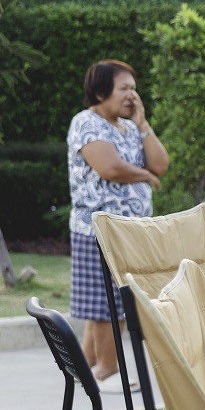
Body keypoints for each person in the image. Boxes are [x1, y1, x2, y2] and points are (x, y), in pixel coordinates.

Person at [67, 59, 168, 382]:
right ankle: (107, 371)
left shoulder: (129, 127)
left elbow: (160, 164)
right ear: (101, 92)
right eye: (124, 89)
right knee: (105, 304)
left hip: (129, 231)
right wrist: (145, 176)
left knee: (114, 300)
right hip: (97, 230)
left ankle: (85, 369)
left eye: (134, 89)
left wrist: (143, 123)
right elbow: (109, 167)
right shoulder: (86, 122)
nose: (132, 95)